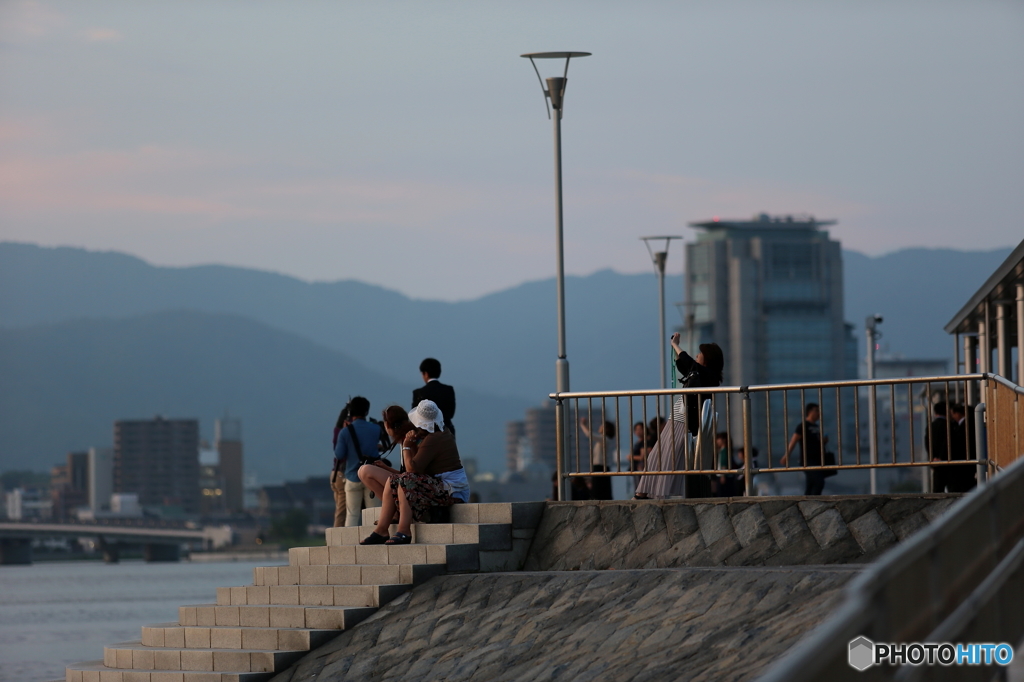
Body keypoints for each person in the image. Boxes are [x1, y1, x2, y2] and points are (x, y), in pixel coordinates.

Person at [360, 400, 469, 545]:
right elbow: (415, 470)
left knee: (405, 479)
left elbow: (411, 470)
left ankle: (404, 531)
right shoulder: (437, 434)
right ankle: (381, 530)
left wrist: (406, 446)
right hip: (442, 486)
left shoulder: (433, 439)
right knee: (394, 479)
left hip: (451, 491)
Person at [634, 336, 724, 499]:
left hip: (683, 421)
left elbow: (688, 362)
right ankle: (648, 492)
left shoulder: (708, 375)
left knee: (665, 456)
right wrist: (676, 351)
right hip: (677, 419)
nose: (697, 355)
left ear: (708, 358)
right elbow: (685, 365)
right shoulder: (701, 374)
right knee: (661, 455)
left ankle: (647, 493)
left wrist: (675, 345)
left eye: (700, 353)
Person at [334, 396, 384, 526]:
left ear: (350, 412)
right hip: (372, 476)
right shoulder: (376, 428)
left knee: (352, 514)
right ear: (366, 411)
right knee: (373, 513)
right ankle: (374, 539)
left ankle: (350, 544)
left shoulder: (345, 432)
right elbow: (382, 446)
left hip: (352, 476)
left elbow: (339, 455)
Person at [783, 403, 828, 496]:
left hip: (817, 460)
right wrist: (786, 456)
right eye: (816, 410)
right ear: (809, 412)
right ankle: (815, 502)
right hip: (808, 460)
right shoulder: (803, 426)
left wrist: (824, 441)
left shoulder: (816, 426)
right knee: (819, 482)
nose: (819, 413)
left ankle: (806, 504)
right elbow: (793, 441)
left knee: (811, 485)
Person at [412, 358, 456, 437]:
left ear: (425, 373)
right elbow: (451, 413)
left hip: (426, 435)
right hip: (446, 432)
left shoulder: (419, 393)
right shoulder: (448, 390)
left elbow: (415, 417)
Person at [943, 403, 977, 493]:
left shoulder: (966, 425)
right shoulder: (970, 423)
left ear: (957, 413)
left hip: (964, 460)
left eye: (952, 414)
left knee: (964, 485)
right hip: (968, 459)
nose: (952, 416)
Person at [579, 418, 615, 500]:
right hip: (600, 467)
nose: (600, 427)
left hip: (601, 467)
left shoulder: (605, 439)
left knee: (599, 490)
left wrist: (582, 425)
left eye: (602, 426)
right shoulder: (603, 439)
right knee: (599, 489)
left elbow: (589, 435)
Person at [330, 404, 350, 528]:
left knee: (339, 509)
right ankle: (335, 541)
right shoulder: (346, 433)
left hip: (334, 473)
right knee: (342, 512)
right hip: (342, 474)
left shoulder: (337, 431)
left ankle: (334, 539)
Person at [925, 402, 951, 493]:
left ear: (935, 412)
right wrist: (942, 457)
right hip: (949, 461)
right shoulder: (949, 425)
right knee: (953, 492)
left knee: (937, 491)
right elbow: (947, 442)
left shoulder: (931, 426)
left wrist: (933, 458)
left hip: (935, 462)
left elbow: (927, 443)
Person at [630, 422, 648, 490]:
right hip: (636, 469)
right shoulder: (638, 442)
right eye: (636, 429)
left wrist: (631, 457)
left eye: (640, 429)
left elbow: (642, 457)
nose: (638, 431)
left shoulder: (644, 442)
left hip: (640, 469)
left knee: (640, 488)